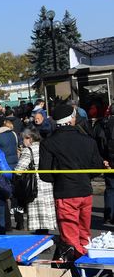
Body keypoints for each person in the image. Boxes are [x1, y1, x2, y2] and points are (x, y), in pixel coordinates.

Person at [39, 105, 107, 259]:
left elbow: (45, 174)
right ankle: (85, 266)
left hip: (65, 192)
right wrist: (83, 177)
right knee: (84, 234)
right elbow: (97, 167)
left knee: (70, 237)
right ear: (73, 119)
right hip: (85, 191)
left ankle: (76, 270)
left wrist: (61, 178)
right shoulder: (88, 140)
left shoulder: (48, 143)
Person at [14, 128, 56, 235]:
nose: (22, 141)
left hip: (35, 186)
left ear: (30, 138)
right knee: (45, 216)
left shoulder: (29, 150)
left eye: (24, 139)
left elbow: (18, 170)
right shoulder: (45, 148)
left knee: (38, 217)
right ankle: (46, 240)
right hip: (47, 184)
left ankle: (41, 243)